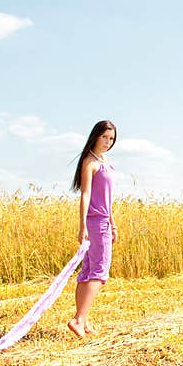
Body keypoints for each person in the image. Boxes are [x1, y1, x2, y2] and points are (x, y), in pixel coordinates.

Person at [67, 119, 118, 338]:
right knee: (99, 271)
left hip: (103, 221)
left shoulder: (103, 161)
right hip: (95, 223)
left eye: (112, 139)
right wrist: (82, 226)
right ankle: (78, 319)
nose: (108, 142)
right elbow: (85, 195)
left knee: (87, 272)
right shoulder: (91, 162)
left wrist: (113, 223)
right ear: (95, 136)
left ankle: (83, 320)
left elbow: (106, 199)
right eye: (105, 137)